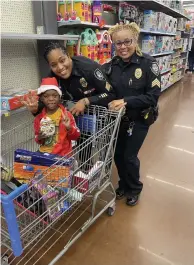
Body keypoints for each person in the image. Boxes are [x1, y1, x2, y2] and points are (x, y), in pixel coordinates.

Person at [103, 22, 161, 206]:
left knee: (129, 156)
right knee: (118, 155)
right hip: (118, 120)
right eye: (118, 43)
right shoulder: (111, 66)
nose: (123, 47)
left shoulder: (148, 63)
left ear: (135, 40)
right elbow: (106, 91)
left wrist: (126, 101)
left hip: (140, 118)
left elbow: (152, 97)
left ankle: (134, 188)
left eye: (127, 41)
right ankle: (123, 184)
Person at [22, 42, 115, 116]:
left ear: (68, 55)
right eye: (53, 65)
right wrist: (35, 109)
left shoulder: (89, 68)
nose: (60, 67)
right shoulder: (51, 78)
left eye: (62, 61)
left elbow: (111, 94)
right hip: (70, 124)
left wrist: (87, 101)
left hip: (100, 123)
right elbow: (46, 103)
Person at [34, 77, 80, 156]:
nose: (51, 99)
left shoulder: (66, 115)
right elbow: (38, 139)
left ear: (59, 97)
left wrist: (69, 127)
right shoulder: (39, 118)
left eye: (55, 96)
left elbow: (76, 136)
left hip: (62, 154)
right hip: (44, 153)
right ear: (41, 98)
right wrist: (40, 137)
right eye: (46, 96)